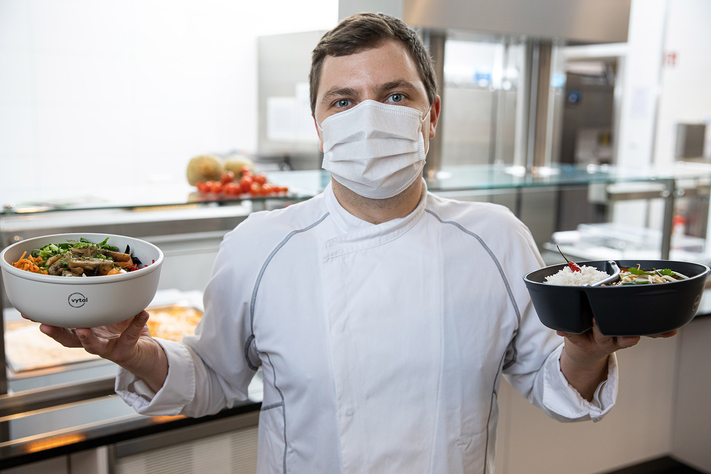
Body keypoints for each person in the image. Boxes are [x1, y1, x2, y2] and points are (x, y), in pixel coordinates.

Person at [35, 12, 675, 474]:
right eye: (343, 101)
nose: (369, 116)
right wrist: (131, 351)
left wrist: (589, 352)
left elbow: (552, 383)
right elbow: (213, 379)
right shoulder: (261, 245)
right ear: (318, 126)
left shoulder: (497, 239)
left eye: (395, 95)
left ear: (431, 115)